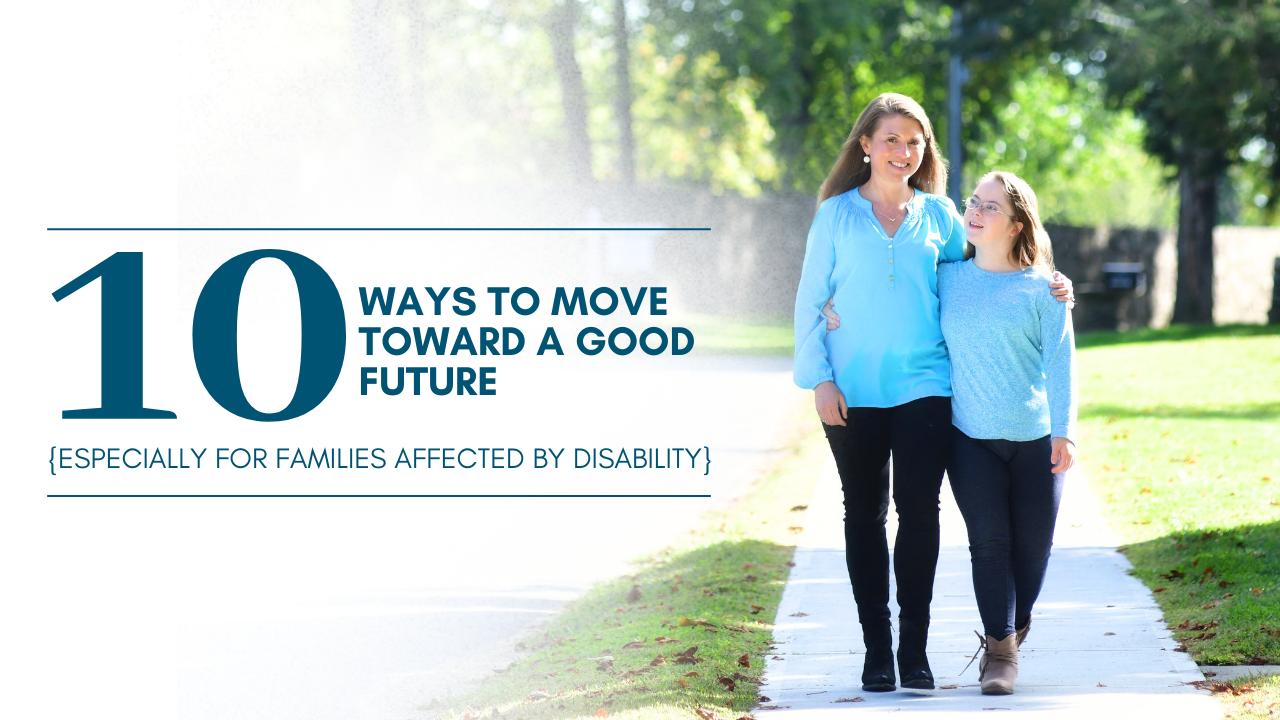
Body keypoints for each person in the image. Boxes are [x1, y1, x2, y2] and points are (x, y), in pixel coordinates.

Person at [792, 93, 1074, 693]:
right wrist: (819, 377)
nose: (903, 151)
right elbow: (810, 302)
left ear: (926, 151)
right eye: (891, 139)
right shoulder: (835, 215)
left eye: (914, 141)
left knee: (920, 515)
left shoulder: (942, 215)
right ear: (865, 145)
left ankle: (914, 653)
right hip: (851, 391)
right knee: (862, 516)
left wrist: (1051, 277)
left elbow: (988, 270)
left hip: (927, 390)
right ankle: (877, 652)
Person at [938, 171, 1077, 695]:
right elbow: (893, 302)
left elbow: (1062, 363)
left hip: (1035, 441)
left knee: (1032, 552)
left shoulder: (1046, 289)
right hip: (969, 437)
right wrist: (836, 314)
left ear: (1018, 223)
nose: (975, 211)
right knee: (989, 543)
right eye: (974, 201)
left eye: (991, 207)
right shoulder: (946, 276)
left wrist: (1065, 431)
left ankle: (1011, 629)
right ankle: (1001, 653)